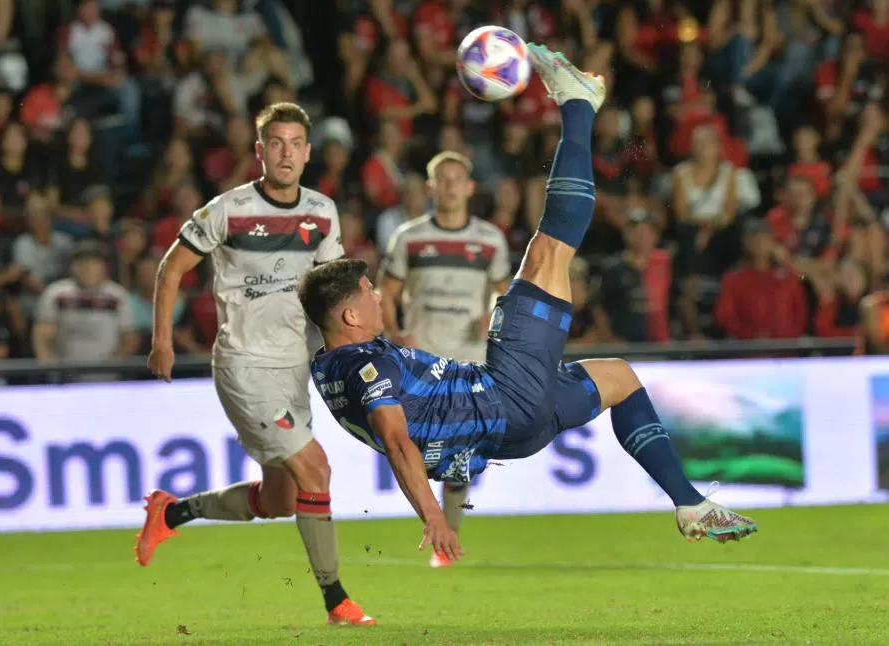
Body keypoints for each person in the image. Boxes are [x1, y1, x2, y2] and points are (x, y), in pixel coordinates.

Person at [297, 46, 758, 563]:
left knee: (621, 380)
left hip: (511, 437)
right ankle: (576, 104)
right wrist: (433, 519)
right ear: (350, 316)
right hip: (504, 399)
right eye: (368, 294)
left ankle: (690, 503)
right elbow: (398, 442)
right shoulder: (364, 365)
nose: (379, 294)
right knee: (547, 252)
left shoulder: (329, 362)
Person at [137, 102, 375, 626]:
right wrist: (164, 341)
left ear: (308, 153)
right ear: (260, 151)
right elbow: (170, 268)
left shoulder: (322, 212)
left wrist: (351, 341)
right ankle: (337, 601)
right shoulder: (228, 209)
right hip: (245, 364)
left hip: (294, 368)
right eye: (276, 143)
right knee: (317, 470)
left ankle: (172, 512)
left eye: (295, 144)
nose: (286, 153)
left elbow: (330, 289)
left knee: (280, 500)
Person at [379, 150, 510, 568]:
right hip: (421, 364)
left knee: (462, 459)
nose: (451, 185)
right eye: (443, 179)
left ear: (470, 188)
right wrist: (395, 333)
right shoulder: (410, 236)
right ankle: (435, 526)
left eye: (458, 178)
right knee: (416, 449)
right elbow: (387, 293)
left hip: (469, 362)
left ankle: (444, 541)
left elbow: (504, 292)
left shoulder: (490, 239)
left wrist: (492, 315)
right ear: (430, 189)